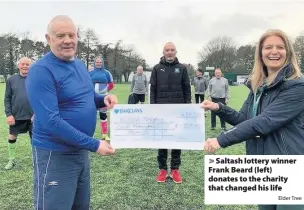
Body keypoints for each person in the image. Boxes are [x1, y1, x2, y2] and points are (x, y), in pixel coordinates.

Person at [202, 29, 304, 210]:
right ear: (260, 53)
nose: (274, 51)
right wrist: (218, 108)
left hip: (291, 167)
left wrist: (220, 140)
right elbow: (244, 119)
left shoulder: (297, 86)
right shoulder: (259, 87)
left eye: (280, 47)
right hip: (261, 168)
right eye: (268, 47)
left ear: (288, 52)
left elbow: (264, 122)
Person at [25, 15, 117, 210]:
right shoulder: (41, 70)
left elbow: (85, 96)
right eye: (60, 36)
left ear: (77, 37)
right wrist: (94, 144)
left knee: (80, 206)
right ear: (48, 39)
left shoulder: (79, 64)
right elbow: (51, 121)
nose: (67, 40)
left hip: (79, 151)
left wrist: (103, 100)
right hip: (55, 153)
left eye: (71, 35)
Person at [150, 42, 191, 184]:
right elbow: (153, 90)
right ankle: (162, 169)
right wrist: (153, 108)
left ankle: (175, 169)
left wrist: (187, 108)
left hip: (178, 111)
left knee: (176, 139)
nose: (169, 52)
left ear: (176, 52)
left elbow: (187, 89)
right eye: (167, 50)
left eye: (172, 50)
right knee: (162, 139)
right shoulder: (156, 69)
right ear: (163, 52)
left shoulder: (182, 68)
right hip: (161, 110)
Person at [4, 57, 34, 170]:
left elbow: (41, 97)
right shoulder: (11, 79)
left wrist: (37, 113)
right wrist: (9, 114)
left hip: (33, 116)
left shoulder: (36, 79)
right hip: (16, 115)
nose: (25, 66)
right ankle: (11, 160)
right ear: (18, 66)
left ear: (31, 66)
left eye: (27, 64)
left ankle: (36, 160)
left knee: (35, 139)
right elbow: (7, 98)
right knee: (12, 136)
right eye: (23, 64)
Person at [89, 56, 114, 141]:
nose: (99, 64)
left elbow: (111, 84)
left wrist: (105, 92)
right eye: (97, 62)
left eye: (100, 62)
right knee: (92, 117)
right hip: (92, 99)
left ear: (102, 63)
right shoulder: (90, 73)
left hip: (104, 99)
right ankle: (91, 135)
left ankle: (104, 134)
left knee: (103, 116)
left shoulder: (107, 73)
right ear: (94, 63)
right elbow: (86, 85)